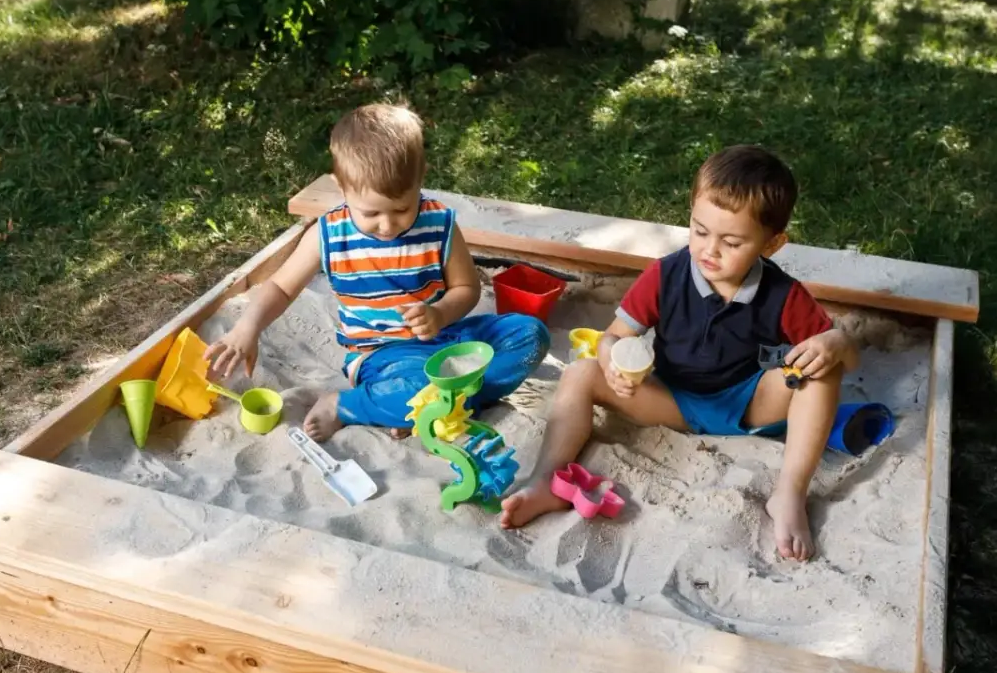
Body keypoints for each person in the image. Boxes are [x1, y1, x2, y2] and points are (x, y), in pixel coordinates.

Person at [500, 145, 858, 561]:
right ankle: (546, 480)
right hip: (671, 399)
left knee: (820, 371)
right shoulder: (665, 275)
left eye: (732, 241)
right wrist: (612, 362)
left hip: (748, 404)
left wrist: (837, 342)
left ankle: (789, 494)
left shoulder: (784, 295)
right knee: (580, 373)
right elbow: (610, 338)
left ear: (772, 244)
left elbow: (848, 361)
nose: (710, 250)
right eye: (699, 230)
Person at [206, 103, 550, 441]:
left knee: (530, 335)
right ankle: (348, 405)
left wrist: (440, 313)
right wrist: (246, 328)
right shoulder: (328, 234)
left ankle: (423, 407)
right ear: (341, 188)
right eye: (371, 213)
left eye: (402, 208)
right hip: (382, 357)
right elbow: (280, 286)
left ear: (420, 179)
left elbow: (466, 288)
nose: (387, 225)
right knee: (418, 386)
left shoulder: (440, 225)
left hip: (448, 338)